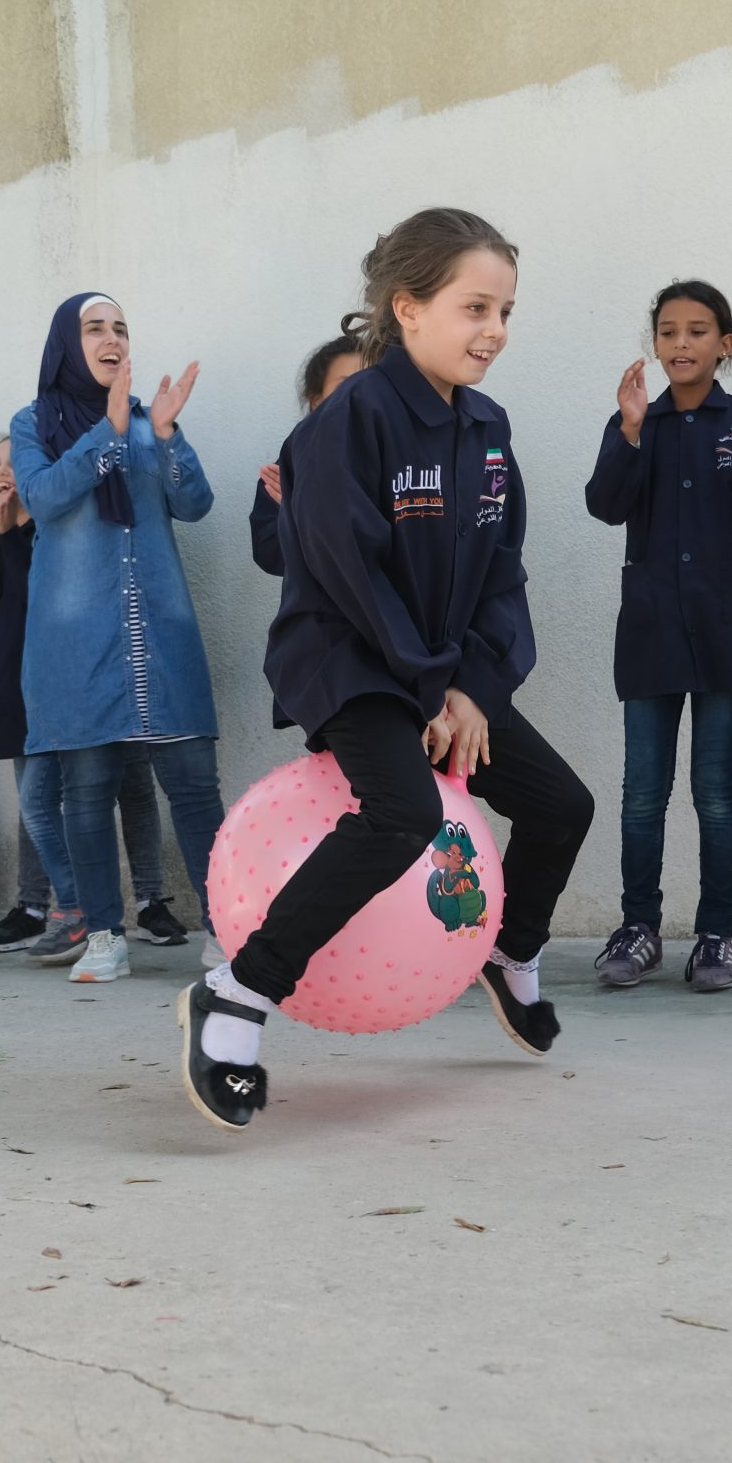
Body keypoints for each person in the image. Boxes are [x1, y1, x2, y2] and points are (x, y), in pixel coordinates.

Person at [176, 208, 595, 1131]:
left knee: (564, 804)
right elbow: (350, 574)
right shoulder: (347, 421)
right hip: (351, 662)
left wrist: (475, 687)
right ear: (407, 307)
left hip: (445, 673)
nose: (495, 330)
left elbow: (502, 573)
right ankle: (238, 993)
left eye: (506, 311)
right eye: (474, 307)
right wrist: (428, 687)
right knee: (404, 811)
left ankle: (508, 954)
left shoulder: (487, 428)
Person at [584, 280, 732, 993]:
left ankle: (716, 934)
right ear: (655, 343)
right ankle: (639, 927)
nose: (681, 343)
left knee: (715, 788)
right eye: (669, 331)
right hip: (652, 628)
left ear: (725, 343)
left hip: (727, 630)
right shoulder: (635, 421)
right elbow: (604, 504)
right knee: (642, 792)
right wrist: (628, 435)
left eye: (698, 330)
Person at [10, 294, 229, 985]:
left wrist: (165, 435)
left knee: (194, 787)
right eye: (95, 328)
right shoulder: (34, 423)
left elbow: (194, 503)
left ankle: (227, 931)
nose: (112, 339)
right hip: (77, 642)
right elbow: (41, 498)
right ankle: (104, 934)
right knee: (86, 790)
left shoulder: (147, 422)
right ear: (66, 345)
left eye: (121, 328)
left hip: (160, 633)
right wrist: (104, 433)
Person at [0, 437, 178, 959]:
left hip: (77, 683)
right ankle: (54, 907)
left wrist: (9, 533)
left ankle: (119, 903)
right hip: (16, 692)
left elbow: (41, 591)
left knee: (116, 789)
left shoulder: (60, 530)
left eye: (14, 462)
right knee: (36, 803)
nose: (2, 470)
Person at [251, 332, 366, 576]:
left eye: (370, 384)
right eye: (345, 385)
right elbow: (267, 553)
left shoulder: (405, 457)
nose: (360, 395)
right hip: (319, 600)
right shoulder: (291, 466)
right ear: (317, 400)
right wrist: (300, 517)